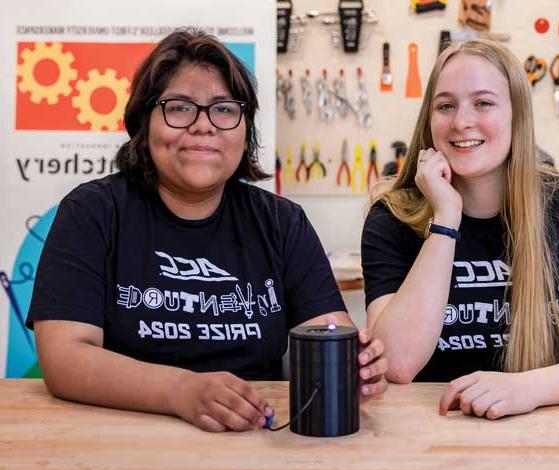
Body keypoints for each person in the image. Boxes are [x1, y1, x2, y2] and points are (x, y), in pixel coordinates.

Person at [27, 30, 387, 432]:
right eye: (179, 108)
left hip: (254, 435)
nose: (203, 126)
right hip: (119, 434)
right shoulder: (92, 212)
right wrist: (181, 391)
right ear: (143, 123)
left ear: (244, 130)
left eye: (223, 109)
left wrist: (356, 369)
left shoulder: (283, 223)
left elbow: (331, 333)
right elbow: (64, 359)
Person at [361, 39, 559, 420]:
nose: (461, 122)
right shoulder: (392, 216)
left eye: (484, 103)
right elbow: (397, 363)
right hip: (429, 433)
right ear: (429, 119)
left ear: (516, 115)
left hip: (548, 429)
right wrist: (445, 219)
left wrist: (529, 387)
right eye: (445, 105)